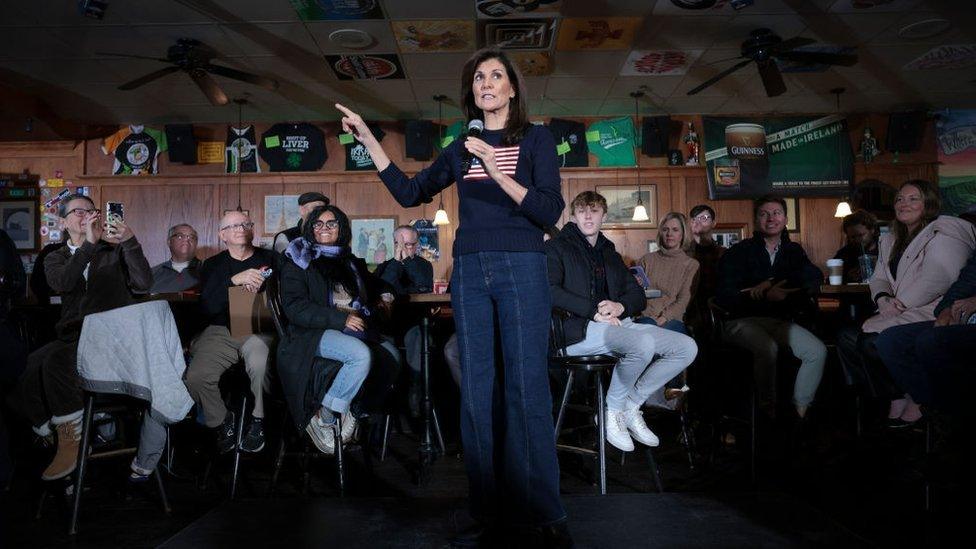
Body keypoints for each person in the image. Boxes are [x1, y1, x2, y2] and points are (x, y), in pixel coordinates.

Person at [336, 47, 571, 545]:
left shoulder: (536, 138)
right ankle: (487, 507)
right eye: (479, 77)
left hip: (523, 266)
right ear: (473, 91)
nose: (486, 83)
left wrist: (497, 169)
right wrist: (370, 140)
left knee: (526, 386)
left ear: (511, 89)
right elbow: (409, 191)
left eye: (496, 76)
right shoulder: (461, 146)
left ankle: (542, 511)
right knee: (478, 390)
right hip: (469, 269)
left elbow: (549, 209)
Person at [9, 194, 153, 480]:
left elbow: (145, 284)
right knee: (21, 369)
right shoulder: (55, 257)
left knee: (56, 362)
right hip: (73, 336)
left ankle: (72, 440)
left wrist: (130, 240)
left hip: (111, 339)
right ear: (63, 222)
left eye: (92, 210)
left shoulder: (114, 251)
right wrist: (87, 244)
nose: (87, 215)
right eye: (78, 211)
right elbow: (63, 283)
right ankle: (54, 432)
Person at [548, 192, 698, 451]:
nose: (587, 215)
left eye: (594, 211)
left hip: (616, 326)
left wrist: (620, 306)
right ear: (572, 215)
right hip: (574, 331)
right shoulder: (557, 247)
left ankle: (630, 404)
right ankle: (611, 411)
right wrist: (594, 312)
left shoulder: (609, 253)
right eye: (582, 210)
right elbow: (550, 291)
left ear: (603, 216)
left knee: (686, 347)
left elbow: (637, 296)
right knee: (641, 343)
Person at [837, 181, 975, 427]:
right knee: (847, 338)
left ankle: (917, 397)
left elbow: (938, 277)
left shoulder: (946, 229)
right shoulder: (890, 238)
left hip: (929, 312)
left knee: (870, 342)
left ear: (929, 203)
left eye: (913, 198)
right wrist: (882, 299)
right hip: (896, 309)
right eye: (900, 199)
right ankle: (897, 394)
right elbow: (878, 278)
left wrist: (896, 305)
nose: (904, 204)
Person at [276, 205, 401, 454]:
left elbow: (373, 284)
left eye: (331, 223)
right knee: (359, 355)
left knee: (392, 356)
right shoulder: (299, 260)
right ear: (310, 228)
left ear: (341, 228)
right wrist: (339, 319)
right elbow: (295, 308)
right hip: (310, 333)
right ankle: (326, 413)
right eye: (318, 224)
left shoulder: (349, 260)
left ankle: (355, 410)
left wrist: (386, 293)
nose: (325, 229)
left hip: (350, 327)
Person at [715, 195, 826, 419]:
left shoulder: (793, 250)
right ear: (756, 219)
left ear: (785, 219)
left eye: (776, 213)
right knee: (767, 348)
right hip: (741, 321)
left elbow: (814, 276)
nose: (771, 218)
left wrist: (771, 282)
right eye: (764, 214)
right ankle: (768, 410)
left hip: (779, 322)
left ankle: (800, 411)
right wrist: (765, 294)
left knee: (817, 351)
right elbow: (725, 295)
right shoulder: (739, 251)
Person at [183, 210, 276, 454]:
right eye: (233, 225)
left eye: (245, 224)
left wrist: (264, 288)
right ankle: (222, 420)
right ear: (221, 234)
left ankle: (258, 421)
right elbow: (208, 307)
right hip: (221, 329)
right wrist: (233, 281)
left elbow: (287, 298)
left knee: (260, 364)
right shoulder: (212, 265)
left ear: (252, 229)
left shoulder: (272, 259)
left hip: (257, 325)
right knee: (196, 376)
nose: (240, 228)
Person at [875, 248, 976, 415]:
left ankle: (948, 415)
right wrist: (946, 309)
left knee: (930, 341)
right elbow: (966, 280)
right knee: (890, 340)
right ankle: (934, 408)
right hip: (966, 319)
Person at [374, 225, 434, 416]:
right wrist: (397, 262)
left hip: (414, 322)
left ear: (416, 245)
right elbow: (385, 288)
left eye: (410, 244)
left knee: (418, 337)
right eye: (401, 244)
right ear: (394, 244)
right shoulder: (386, 266)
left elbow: (423, 285)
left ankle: (416, 391)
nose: (406, 248)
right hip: (389, 325)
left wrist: (407, 261)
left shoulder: (423, 265)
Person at [635, 212, 699, 335]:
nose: (669, 234)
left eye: (675, 230)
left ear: (682, 234)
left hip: (673, 319)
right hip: (645, 317)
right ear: (661, 233)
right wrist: (636, 285)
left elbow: (684, 300)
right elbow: (634, 295)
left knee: (661, 336)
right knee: (646, 331)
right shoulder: (646, 260)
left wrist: (663, 318)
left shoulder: (691, 264)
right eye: (665, 229)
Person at [686, 204, 724, 336]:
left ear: (713, 223)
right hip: (687, 308)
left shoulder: (723, 253)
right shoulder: (681, 254)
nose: (698, 221)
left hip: (716, 308)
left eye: (704, 218)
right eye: (694, 218)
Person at [150, 223, 201, 293]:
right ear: (169, 242)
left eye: (191, 237)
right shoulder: (152, 274)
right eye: (180, 236)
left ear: (196, 243)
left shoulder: (208, 270)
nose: (186, 239)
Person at [833, 210, 880, 284]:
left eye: (861, 235)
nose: (857, 240)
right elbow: (832, 280)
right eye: (853, 237)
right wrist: (848, 276)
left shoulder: (885, 250)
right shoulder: (843, 254)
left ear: (872, 230)